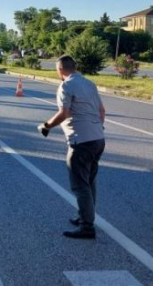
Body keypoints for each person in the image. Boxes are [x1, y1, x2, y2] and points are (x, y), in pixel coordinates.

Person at [38, 55, 105, 240]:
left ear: (60, 70)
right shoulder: (90, 83)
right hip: (98, 138)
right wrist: (97, 129)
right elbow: (102, 111)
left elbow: (64, 113)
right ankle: (84, 215)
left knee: (80, 185)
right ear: (75, 67)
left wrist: (46, 126)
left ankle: (87, 227)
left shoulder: (66, 86)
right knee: (89, 181)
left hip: (81, 141)